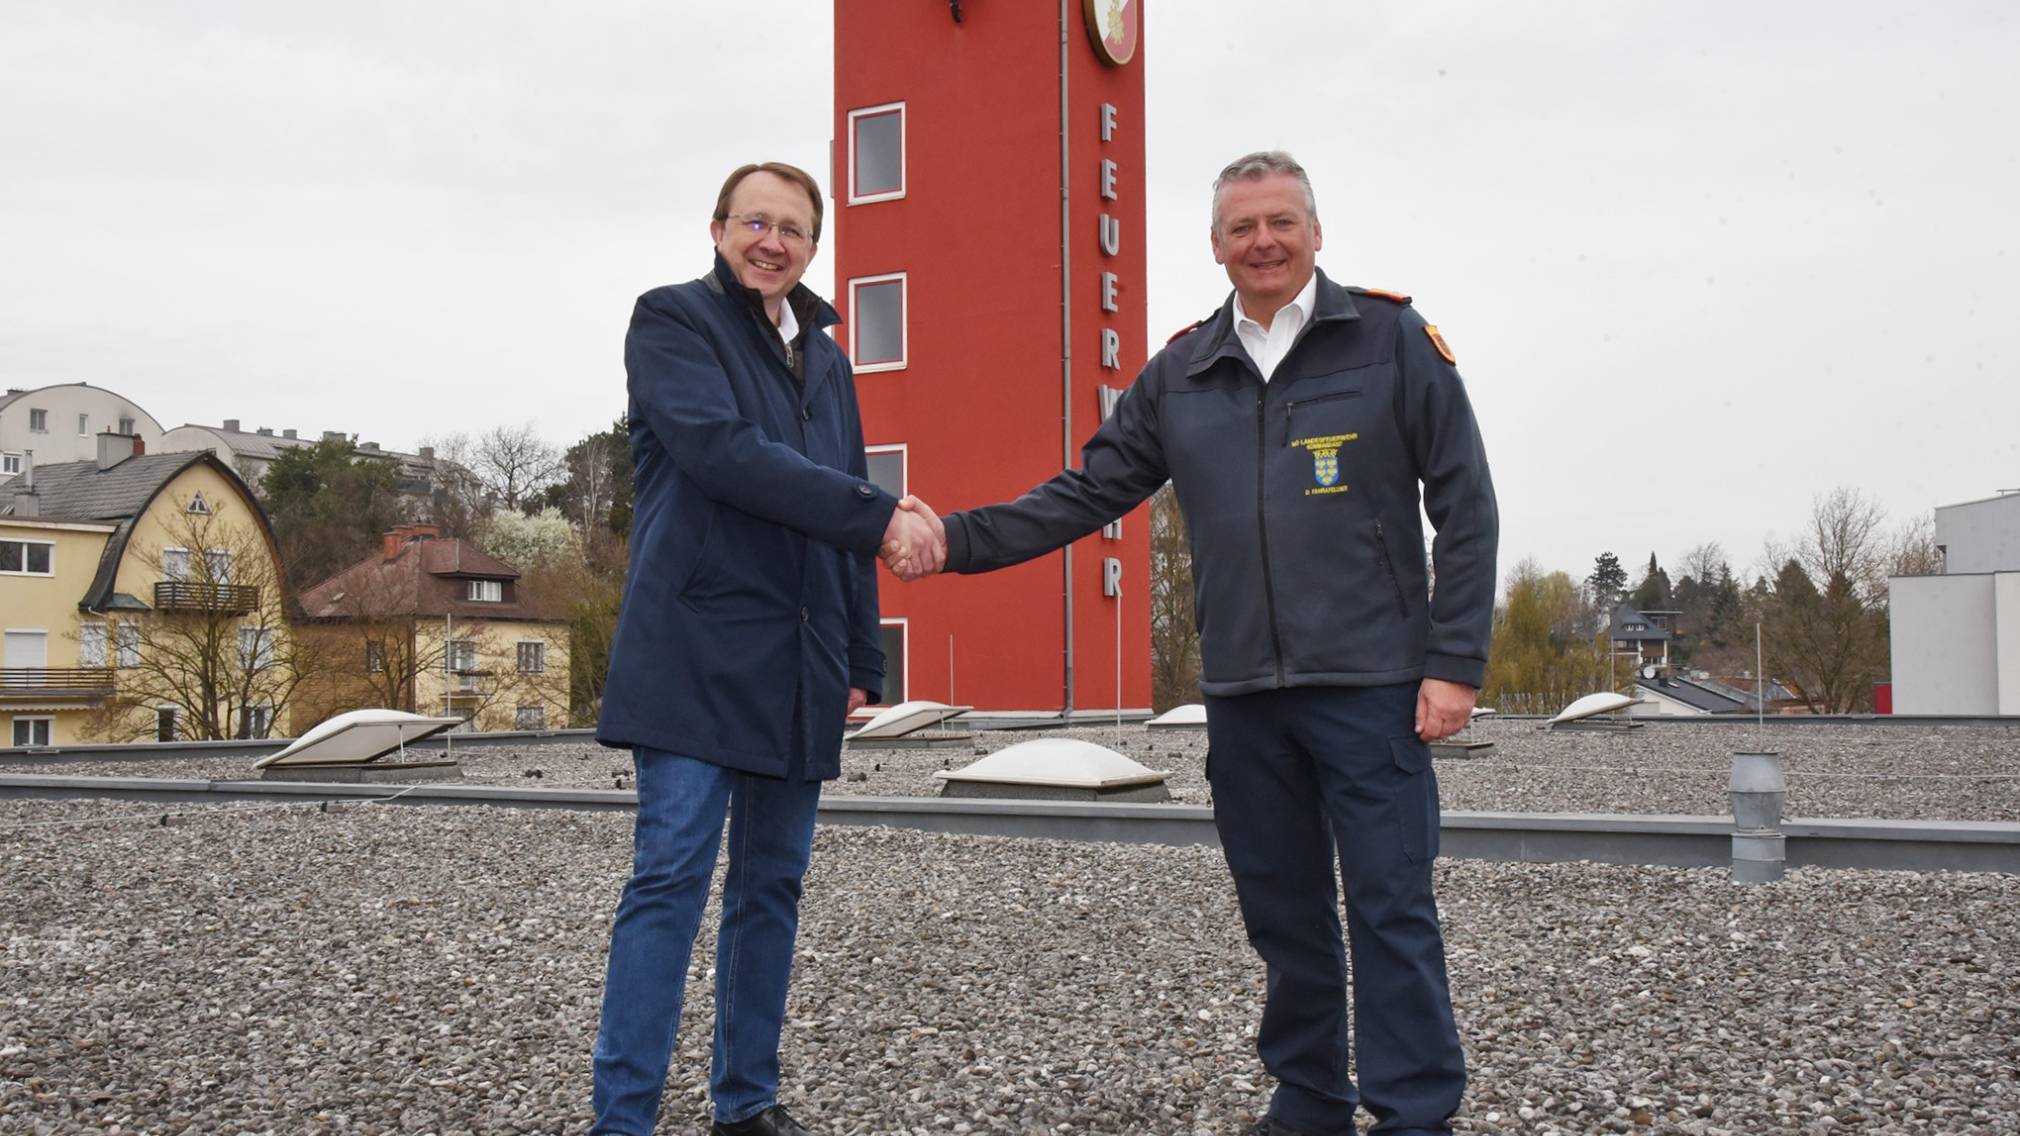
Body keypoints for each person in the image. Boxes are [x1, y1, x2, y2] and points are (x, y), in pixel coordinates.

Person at [888, 150, 1496, 1136]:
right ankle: (1308, 1096)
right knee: (1284, 913)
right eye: (1241, 226)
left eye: (1281, 222)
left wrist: (1453, 662)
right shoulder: (1181, 370)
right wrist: (953, 539)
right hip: (1247, 694)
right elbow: (1085, 492)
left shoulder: (1392, 341)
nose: (1263, 240)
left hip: (1374, 688)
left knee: (1390, 908)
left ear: (1314, 232)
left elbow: (1464, 505)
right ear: (1214, 245)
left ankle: (1415, 1107)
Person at [592, 160, 943, 1136]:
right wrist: (879, 514)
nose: (772, 241)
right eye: (756, 221)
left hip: (801, 658)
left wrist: (863, 658)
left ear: (813, 247)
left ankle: (744, 1102)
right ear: (717, 229)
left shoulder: (828, 359)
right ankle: (620, 1118)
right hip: (695, 647)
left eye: (793, 228)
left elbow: (840, 498)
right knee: (668, 880)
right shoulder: (671, 322)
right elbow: (724, 456)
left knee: (770, 889)